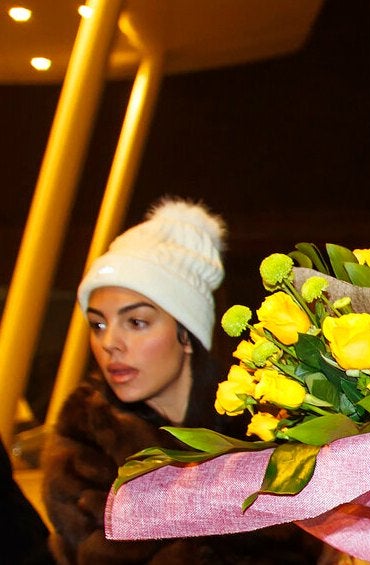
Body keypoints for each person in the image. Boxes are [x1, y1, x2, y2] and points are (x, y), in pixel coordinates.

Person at [41, 198, 323, 564]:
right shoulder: (84, 436)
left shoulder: (262, 425)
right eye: (98, 324)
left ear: (186, 335)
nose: (110, 342)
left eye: (136, 322)